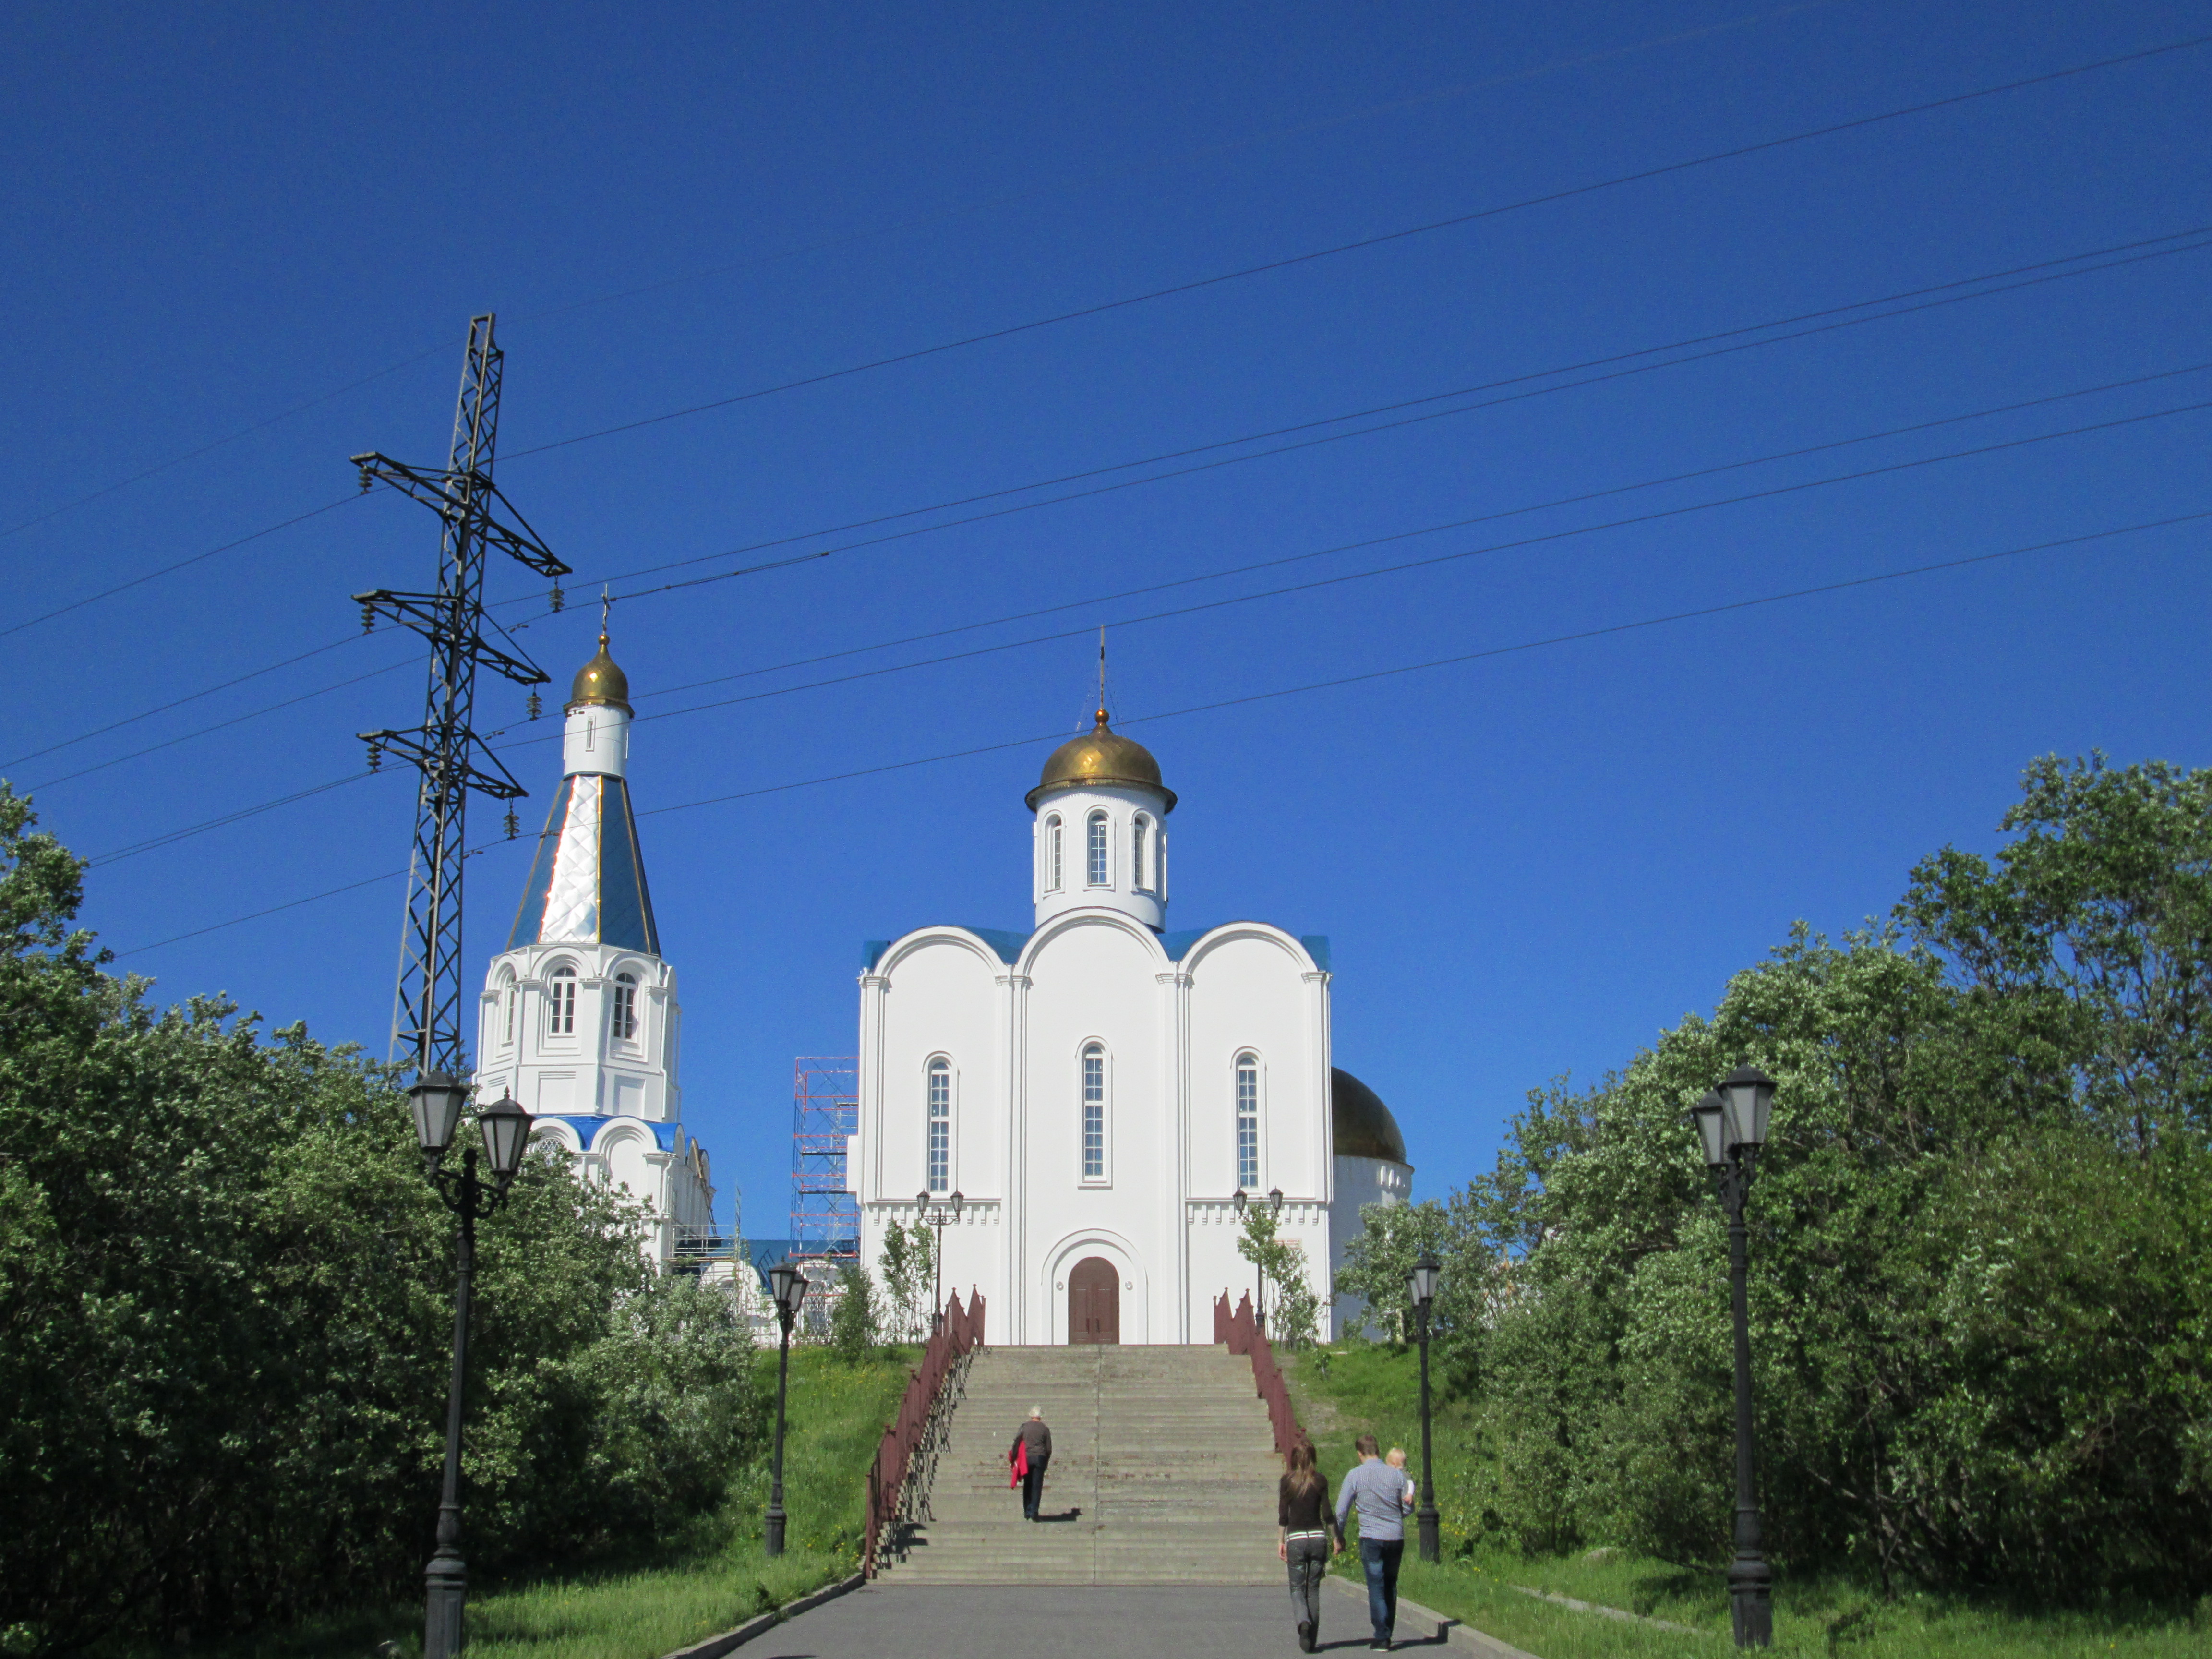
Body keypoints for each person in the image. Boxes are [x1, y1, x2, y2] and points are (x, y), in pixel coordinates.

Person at [1335, 1433, 1415, 1650]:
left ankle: (1382, 1636)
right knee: (1390, 1583)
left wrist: (1338, 1536)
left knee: (1376, 1585)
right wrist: (1401, 1510)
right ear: (1378, 1452)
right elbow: (1407, 1508)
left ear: (1360, 1454)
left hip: (1371, 1537)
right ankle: (1387, 1631)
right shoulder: (1396, 1476)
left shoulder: (1355, 1476)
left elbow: (1341, 1511)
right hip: (1395, 1537)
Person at [1277, 1441, 1343, 1653]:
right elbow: (1327, 1514)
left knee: (1297, 1588)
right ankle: (1311, 1639)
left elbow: (1283, 1516)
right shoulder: (1320, 1480)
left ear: (1294, 1459)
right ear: (1314, 1458)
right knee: (1313, 1588)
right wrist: (1336, 1538)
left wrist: (1281, 1541)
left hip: (1296, 1539)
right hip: (1317, 1539)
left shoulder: (1287, 1481)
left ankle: (1303, 1622)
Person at [1008, 1407, 1052, 1521]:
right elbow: (1049, 1449)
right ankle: (1034, 1512)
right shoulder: (1045, 1429)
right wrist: (1046, 1461)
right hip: (1040, 1458)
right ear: (1040, 1416)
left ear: (1031, 1415)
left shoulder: (1025, 1427)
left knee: (1028, 1484)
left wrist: (1013, 1460)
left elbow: (1017, 1442)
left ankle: (1027, 1511)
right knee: (1037, 1486)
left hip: (1026, 1459)